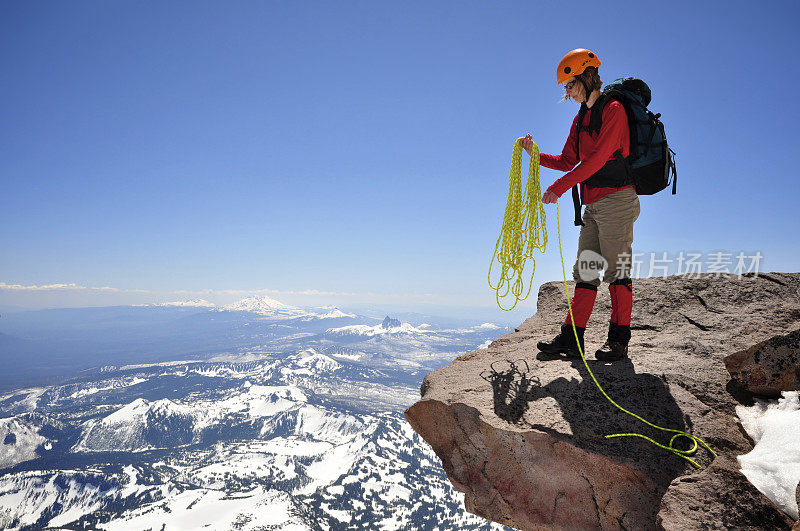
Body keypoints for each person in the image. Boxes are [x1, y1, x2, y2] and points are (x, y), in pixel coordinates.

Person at [520, 48, 640, 362]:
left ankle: (619, 340)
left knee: (617, 271)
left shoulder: (613, 109)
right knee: (586, 271)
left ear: (586, 76)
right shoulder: (581, 118)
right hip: (594, 206)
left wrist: (560, 188)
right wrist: (535, 154)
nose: (568, 91)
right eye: (566, 87)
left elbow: (599, 158)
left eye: (570, 84)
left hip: (617, 201)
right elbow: (568, 160)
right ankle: (573, 339)